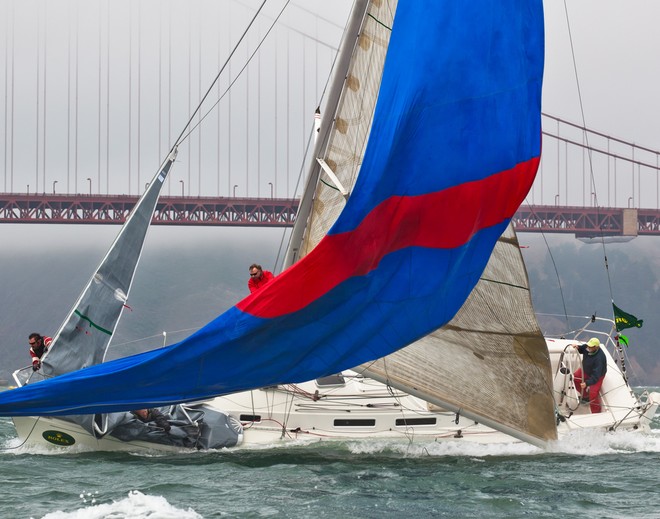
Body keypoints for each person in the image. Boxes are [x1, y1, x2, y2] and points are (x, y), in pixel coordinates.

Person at [572, 337, 608, 413]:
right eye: (588, 346)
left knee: (593, 393)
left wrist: (586, 383)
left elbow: (596, 376)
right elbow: (582, 349)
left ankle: (596, 412)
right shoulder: (587, 347)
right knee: (574, 378)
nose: (588, 348)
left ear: (596, 347)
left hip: (598, 375)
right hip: (586, 370)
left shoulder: (599, 359)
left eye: (591, 347)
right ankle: (585, 396)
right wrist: (578, 347)